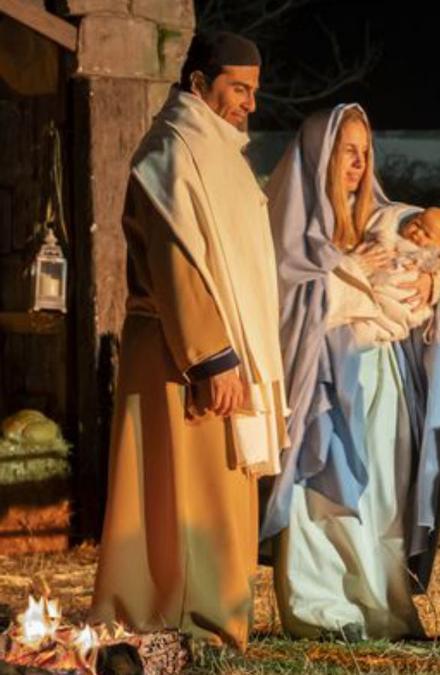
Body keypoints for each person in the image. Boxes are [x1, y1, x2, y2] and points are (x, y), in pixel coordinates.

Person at [89, 31, 289, 651]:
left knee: (218, 490)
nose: (249, 104)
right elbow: (180, 263)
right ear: (198, 84)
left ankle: (212, 615)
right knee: (178, 489)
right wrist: (211, 357)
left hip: (209, 348)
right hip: (181, 353)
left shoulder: (218, 150)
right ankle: (173, 618)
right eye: (238, 88)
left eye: (254, 91)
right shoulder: (173, 152)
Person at [260, 103, 440, 642]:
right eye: (347, 150)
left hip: (384, 374)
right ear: (321, 154)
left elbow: (434, 253)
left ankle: (383, 606)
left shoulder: (385, 219)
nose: (358, 161)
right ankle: (322, 607)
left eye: (364, 151)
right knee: (320, 492)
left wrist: (431, 285)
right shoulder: (293, 228)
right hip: (324, 376)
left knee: (383, 494)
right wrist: (346, 277)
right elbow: (282, 301)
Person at [367, 205, 440, 340]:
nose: (417, 233)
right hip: (379, 284)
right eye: (416, 225)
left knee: (400, 308)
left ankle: (384, 327)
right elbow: (380, 240)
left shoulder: (432, 255)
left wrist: (429, 275)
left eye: (427, 235)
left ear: (438, 244)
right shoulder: (392, 235)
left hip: (404, 297)